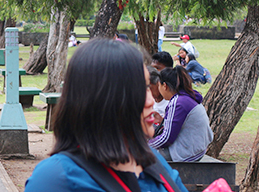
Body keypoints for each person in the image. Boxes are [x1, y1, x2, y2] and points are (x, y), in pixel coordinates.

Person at [24, 39, 188, 192]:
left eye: (146, 87)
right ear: (103, 100)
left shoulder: (152, 161)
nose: (150, 101)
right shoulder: (55, 179)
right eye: (138, 90)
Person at [149, 66, 213, 162]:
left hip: (186, 152)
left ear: (164, 86)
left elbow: (167, 138)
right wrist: (163, 120)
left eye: (159, 86)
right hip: (197, 149)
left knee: (143, 157)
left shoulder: (177, 102)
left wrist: (146, 146)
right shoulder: (186, 97)